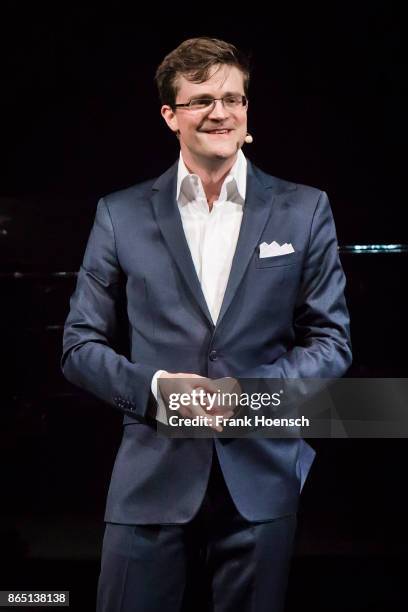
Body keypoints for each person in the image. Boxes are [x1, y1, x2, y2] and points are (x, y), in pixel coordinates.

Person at [61, 36, 352, 612]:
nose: (220, 112)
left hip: (261, 474)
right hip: (151, 476)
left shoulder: (304, 207)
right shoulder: (120, 213)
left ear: (246, 109)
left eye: (233, 98)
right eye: (200, 101)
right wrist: (156, 390)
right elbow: (78, 346)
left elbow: (332, 342)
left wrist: (249, 393)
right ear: (170, 116)